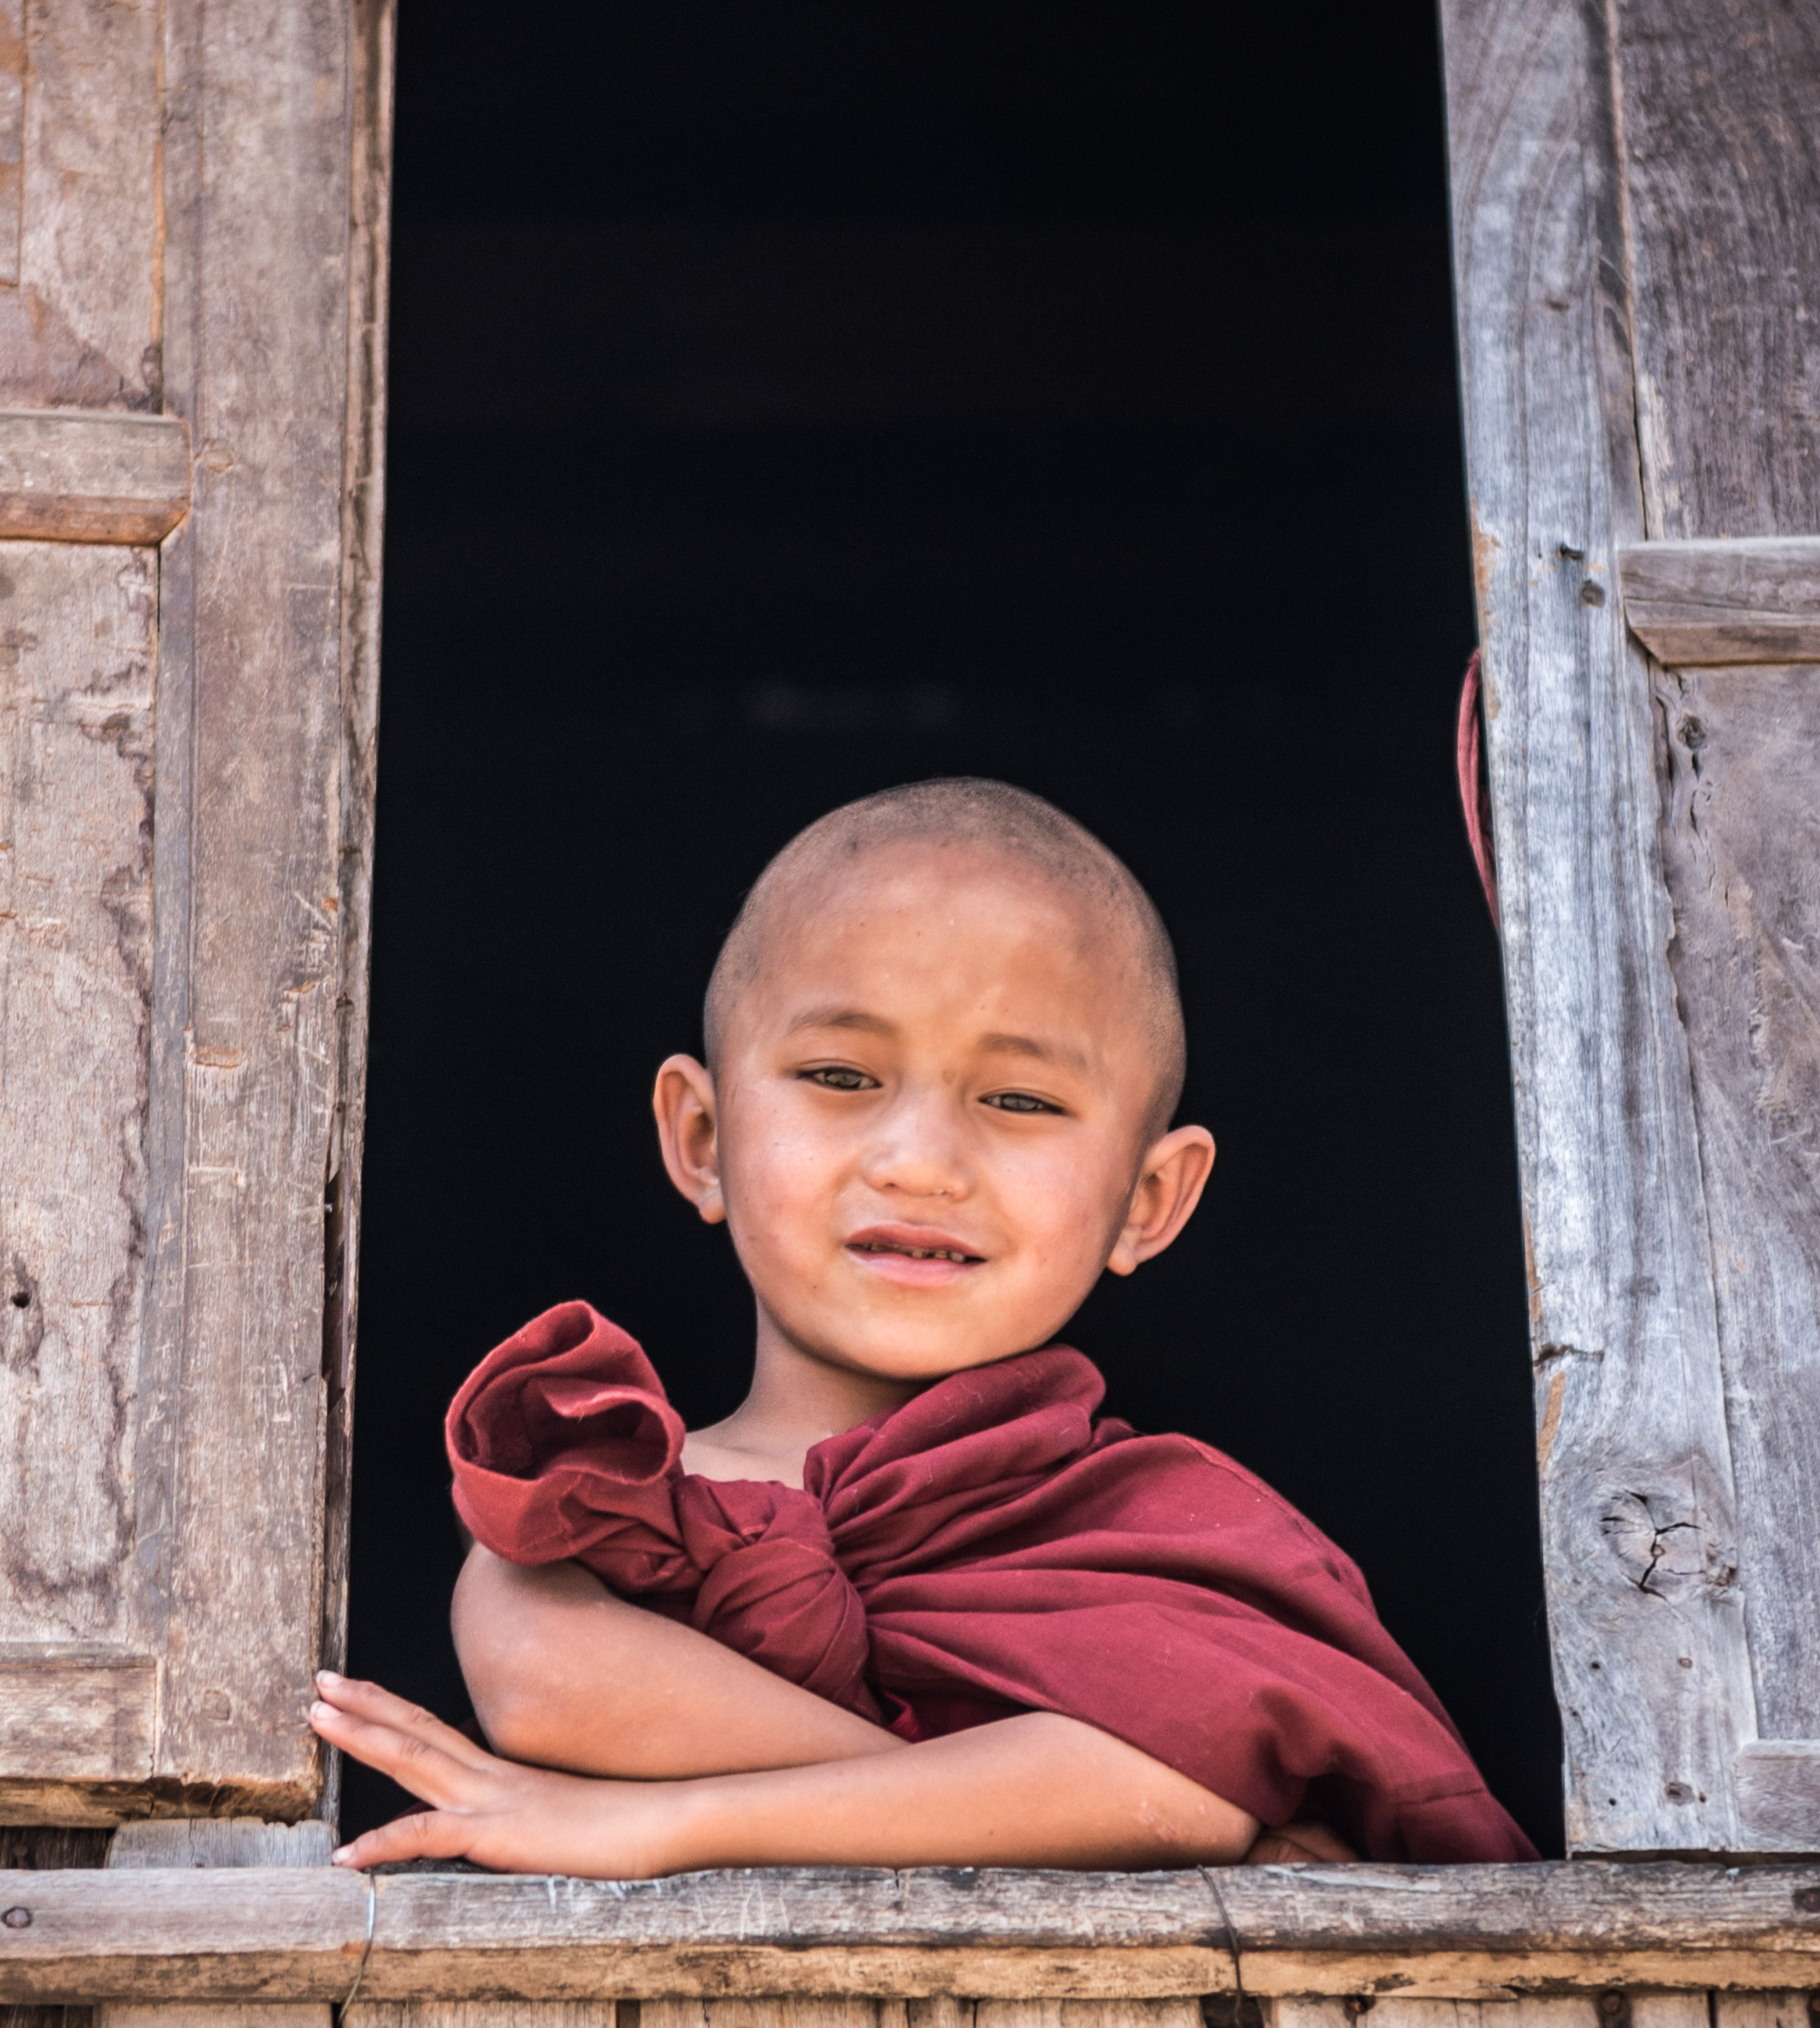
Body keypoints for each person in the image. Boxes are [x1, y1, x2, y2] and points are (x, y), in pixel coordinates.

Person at [311, 777, 1531, 1874]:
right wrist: (1031, 1804)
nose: (921, 1161)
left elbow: (1182, 1789)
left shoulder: (1177, 1528)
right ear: (701, 1138)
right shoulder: (609, 1486)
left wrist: (661, 1823)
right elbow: (543, 1693)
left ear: (1149, 1200)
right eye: (842, 1077)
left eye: (1019, 1098)